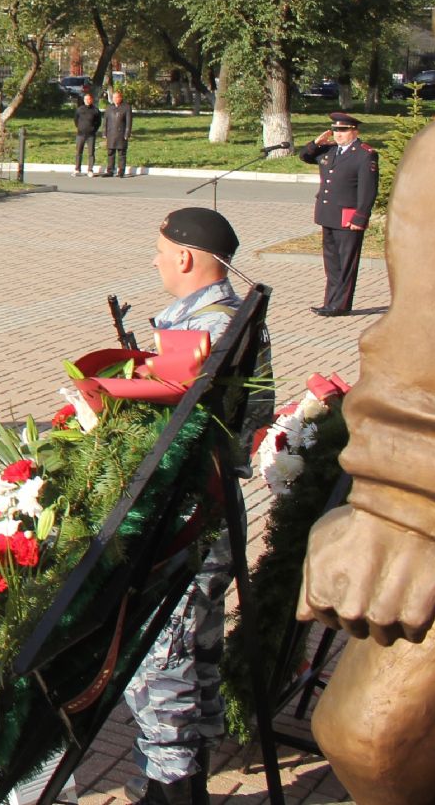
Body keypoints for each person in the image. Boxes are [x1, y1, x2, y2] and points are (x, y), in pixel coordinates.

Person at [119, 206, 271, 804]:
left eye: (160, 251)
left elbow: (171, 433)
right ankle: (187, 779)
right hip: (214, 508)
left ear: (184, 257)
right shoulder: (236, 315)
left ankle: (173, 789)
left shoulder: (201, 329)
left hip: (182, 517)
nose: (156, 261)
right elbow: (252, 418)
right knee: (197, 648)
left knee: (164, 656)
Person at [297, 111, 378, 317]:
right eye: (335, 130)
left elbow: (368, 190)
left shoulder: (364, 154)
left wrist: (361, 217)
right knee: (332, 263)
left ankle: (340, 305)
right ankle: (330, 302)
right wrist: (316, 143)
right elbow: (304, 156)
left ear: (354, 131)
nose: (338, 134)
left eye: (343, 130)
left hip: (348, 217)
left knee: (346, 263)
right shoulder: (330, 150)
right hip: (329, 214)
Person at [102, 87, 134, 179]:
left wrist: (127, 133)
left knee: (121, 153)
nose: (115, 99)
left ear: (121, 98)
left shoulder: (126, 107)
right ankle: (110, 171)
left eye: (117, 97)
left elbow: (129, 122)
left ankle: (121, 171)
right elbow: (105, 121)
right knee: (110, 153)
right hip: (111, 134)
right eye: (114, 97)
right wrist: (104, 133)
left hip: (121, 134)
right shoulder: (109, 107)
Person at [73, 89, 102, 177]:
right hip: (80, 134)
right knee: (78, 152)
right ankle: (77, 169)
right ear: (84, 100)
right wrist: (80, 128)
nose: (87, 101)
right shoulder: (79, 109)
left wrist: (93, 130)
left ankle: (90, 170)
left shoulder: (95, 110)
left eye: (89, 99)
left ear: (91, 100)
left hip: (91, 135)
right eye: (86, 99)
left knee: (91, 153)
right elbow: (76, 120)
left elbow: (98, 122)